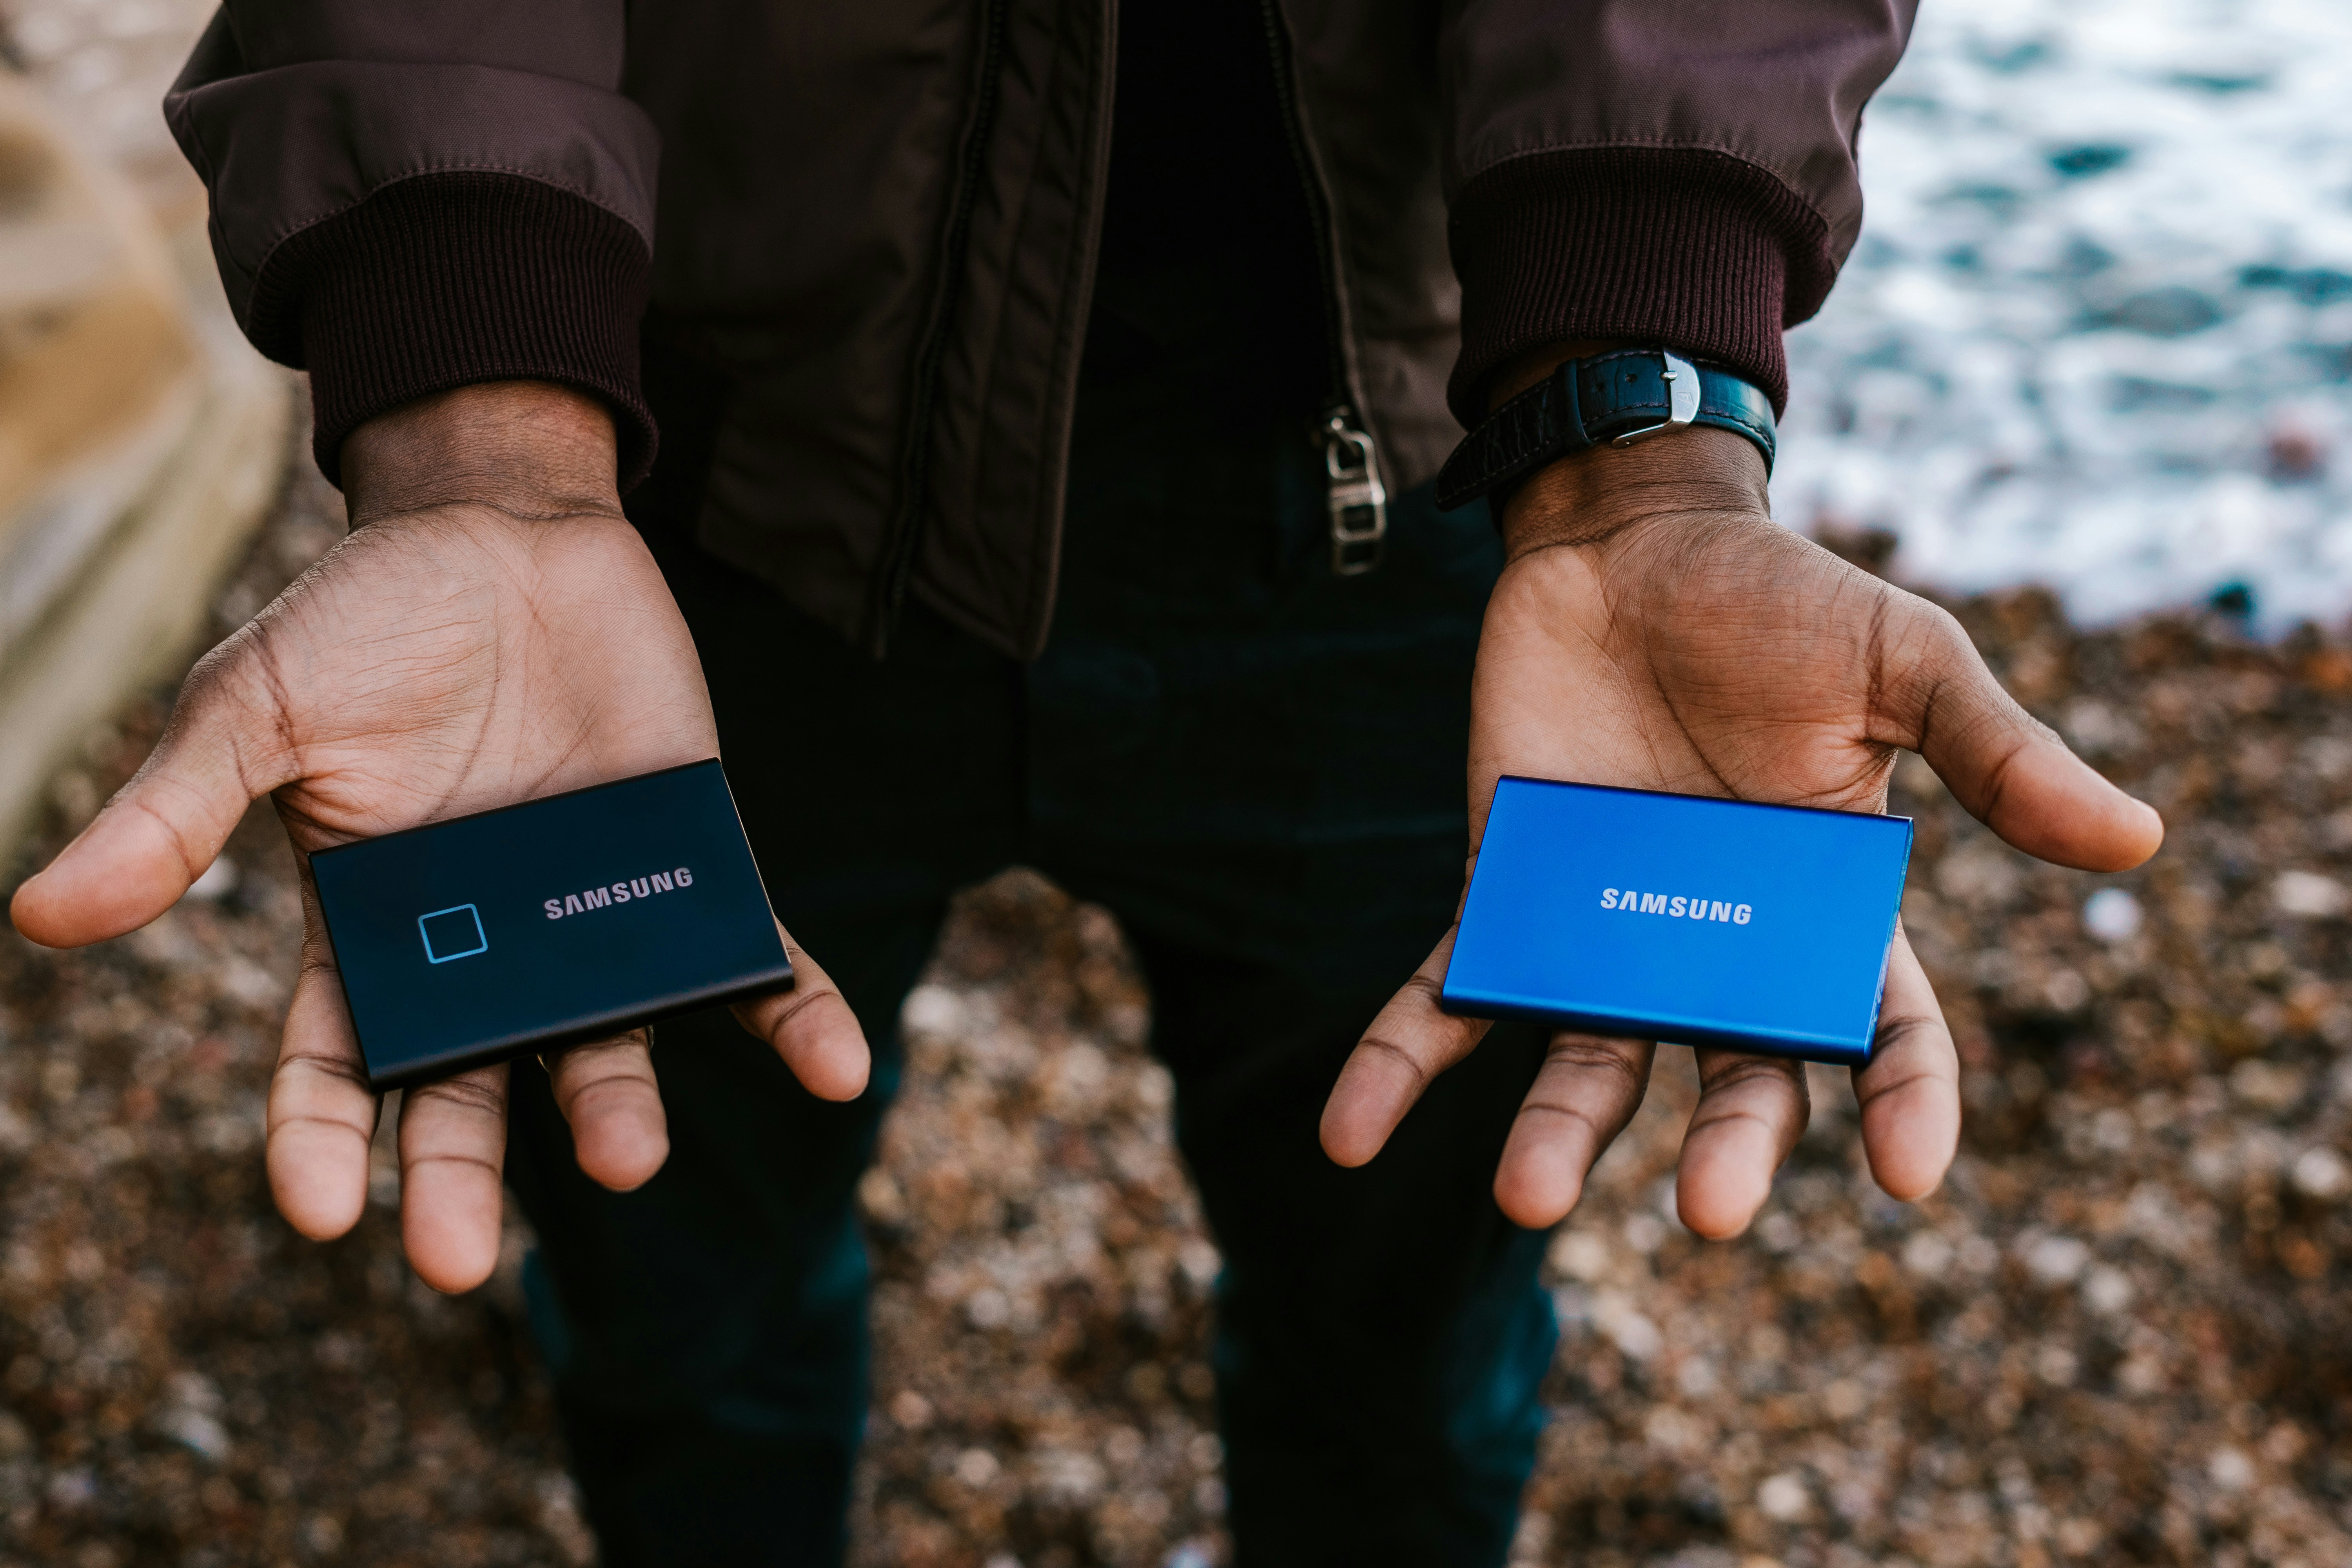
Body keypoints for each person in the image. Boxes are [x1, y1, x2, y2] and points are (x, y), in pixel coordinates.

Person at [9, 2, 2164, 1563]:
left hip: (1432, 497)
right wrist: (479, 417)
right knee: (673, 1277)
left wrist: (1644, 427)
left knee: (1402, 1327)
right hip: (685, 488)